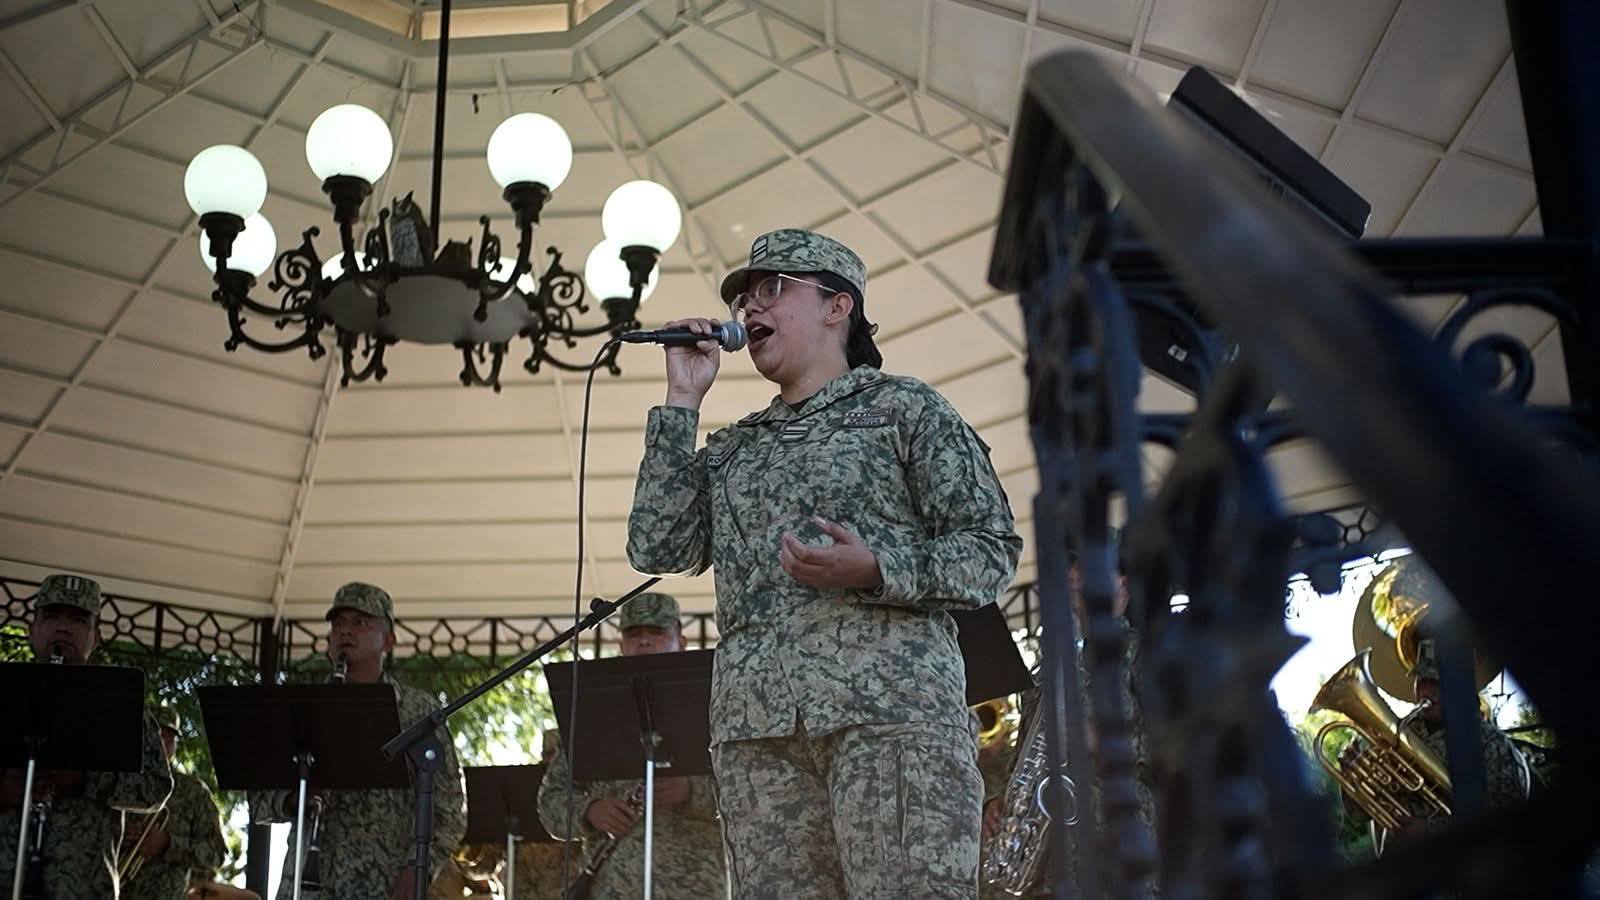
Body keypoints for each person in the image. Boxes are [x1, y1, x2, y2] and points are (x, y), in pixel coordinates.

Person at [627, 228, 1023, 898]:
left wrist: (877, 568)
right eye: (745, 297)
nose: (750, 308)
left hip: (893, 725)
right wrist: (682, 404)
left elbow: (990, 551)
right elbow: (657, 548)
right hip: (759, 737)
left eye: (772, 290)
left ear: (838, 306)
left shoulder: (904, 410)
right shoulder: (735, 448)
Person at [249, 582, 467, 899]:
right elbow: (258, 802)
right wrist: (297, 798)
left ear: (389, 641)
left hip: (385, 887)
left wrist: (419, 868)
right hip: (308, 887)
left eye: (360, 622)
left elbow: (450, 808)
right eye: (338, 624)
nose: (345, 632)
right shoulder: (301, 707)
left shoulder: (419, 711)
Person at [536, 593, 725, 899]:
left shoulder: (715, 708)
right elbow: (550, 803)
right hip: (613, 889)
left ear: (682, 641)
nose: (645, 642)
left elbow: (755, 791)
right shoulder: (593, 716)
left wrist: (692, 790)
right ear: (621, 645)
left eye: (657, 632)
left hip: (696, 888)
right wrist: (590, 811)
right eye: (634, 634)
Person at [0, 574, 174, 898]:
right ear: (31, 628)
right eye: (51, 616)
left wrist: (85, 779)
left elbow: (157, 786)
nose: (63, 628)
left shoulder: (121, 705)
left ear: (96, 636)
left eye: (79, 620)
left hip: (84, 889)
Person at [122, 707, 228, 900]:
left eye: (170, 738)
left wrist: (167, 843)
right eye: (157, 735)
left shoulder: (193, 791)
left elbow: (216, 853)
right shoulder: (118, 781)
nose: (163, 744)